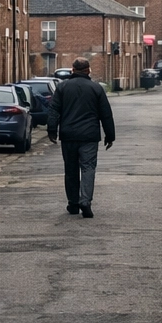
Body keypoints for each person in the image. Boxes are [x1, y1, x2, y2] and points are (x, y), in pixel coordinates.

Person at [46, 57, 115, 218]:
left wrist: (51, 130)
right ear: (88, 70)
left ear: (72, 70)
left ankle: (73, 203)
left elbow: (54, 110)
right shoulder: (96, 88)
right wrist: (110, 135)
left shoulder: (62, 87)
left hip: (68, 135)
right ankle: (85, 201)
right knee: (88, 168)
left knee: (70, 170)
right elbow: (106, 114)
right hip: (89, 136)